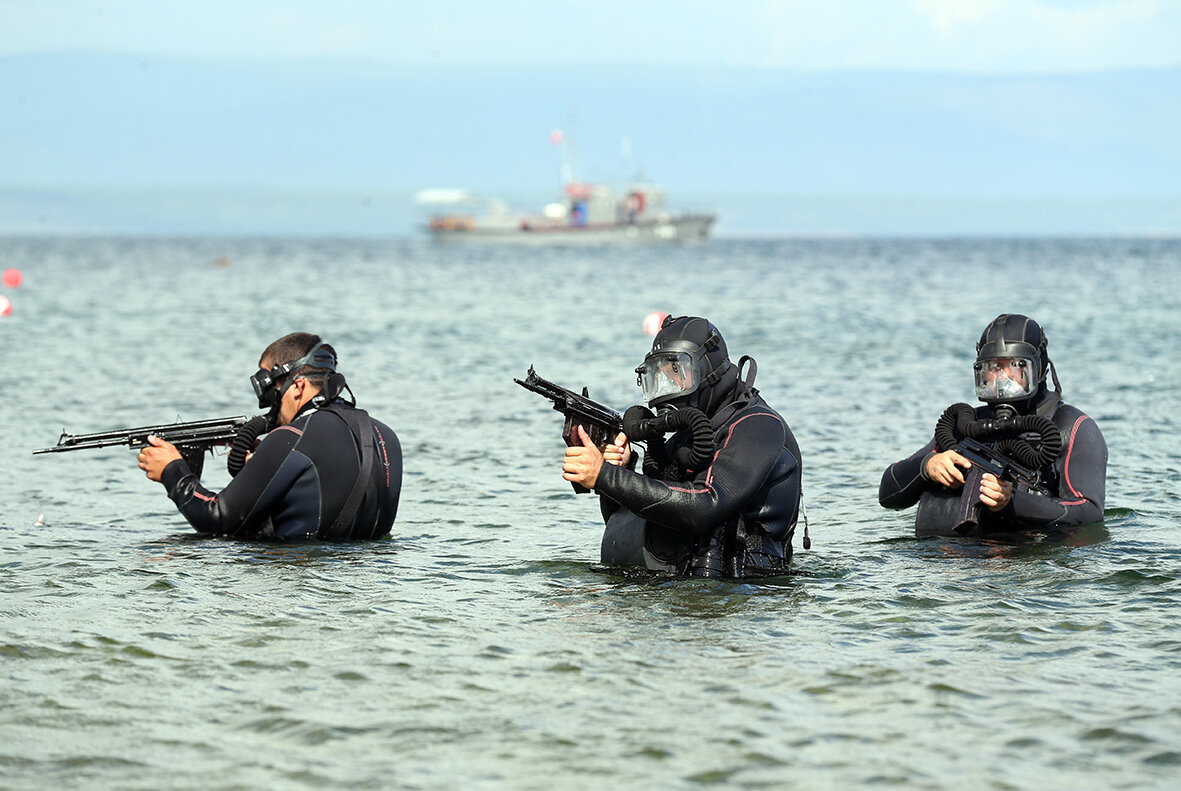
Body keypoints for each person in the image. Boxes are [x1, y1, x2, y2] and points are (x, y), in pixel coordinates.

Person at [561, 316, 804, 577]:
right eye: (660, 377)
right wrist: (621, 470)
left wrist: (605, 476)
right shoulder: (692, 433)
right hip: (684, 586)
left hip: (748, 596)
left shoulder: (758, 426)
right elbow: (634, 522)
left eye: (677, 374)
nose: (670, 388)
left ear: (708, 369)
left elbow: (705, 506)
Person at [136, 333, 402, 541]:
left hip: (297, 590)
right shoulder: (385, 435)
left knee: (168, 549)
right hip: (362, 581)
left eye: (270, 394)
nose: (270, 408)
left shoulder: (291, 437)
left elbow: (216, 519)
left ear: (298, 386)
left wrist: (173, 471)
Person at [879, 314, 1106, 536]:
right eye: (992, 367)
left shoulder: (1072, 427)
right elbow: (888, 494)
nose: (1001, 378)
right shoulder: (965, 426)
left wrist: (1012, 501)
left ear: (1039, 369)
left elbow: (1089, 512)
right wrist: (927, 466)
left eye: (1014, 367)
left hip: (1030, 559)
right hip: (953, 563)